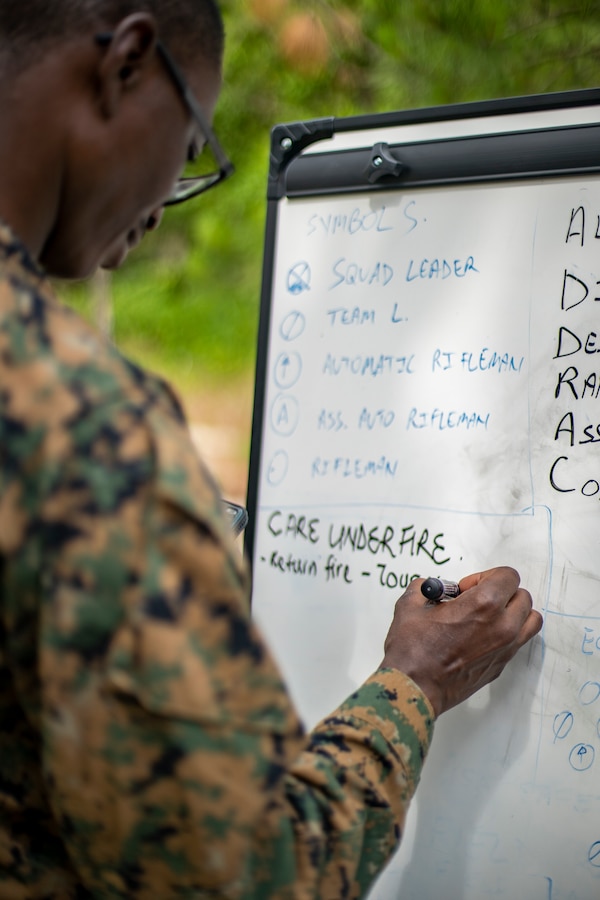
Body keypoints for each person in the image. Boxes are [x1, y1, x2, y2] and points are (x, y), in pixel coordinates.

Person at [0, 1, 543, 897]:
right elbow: (248, 875)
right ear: (127, 64)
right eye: (186, 155)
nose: (162, 212)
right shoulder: (88, 431)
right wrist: (412, 685)